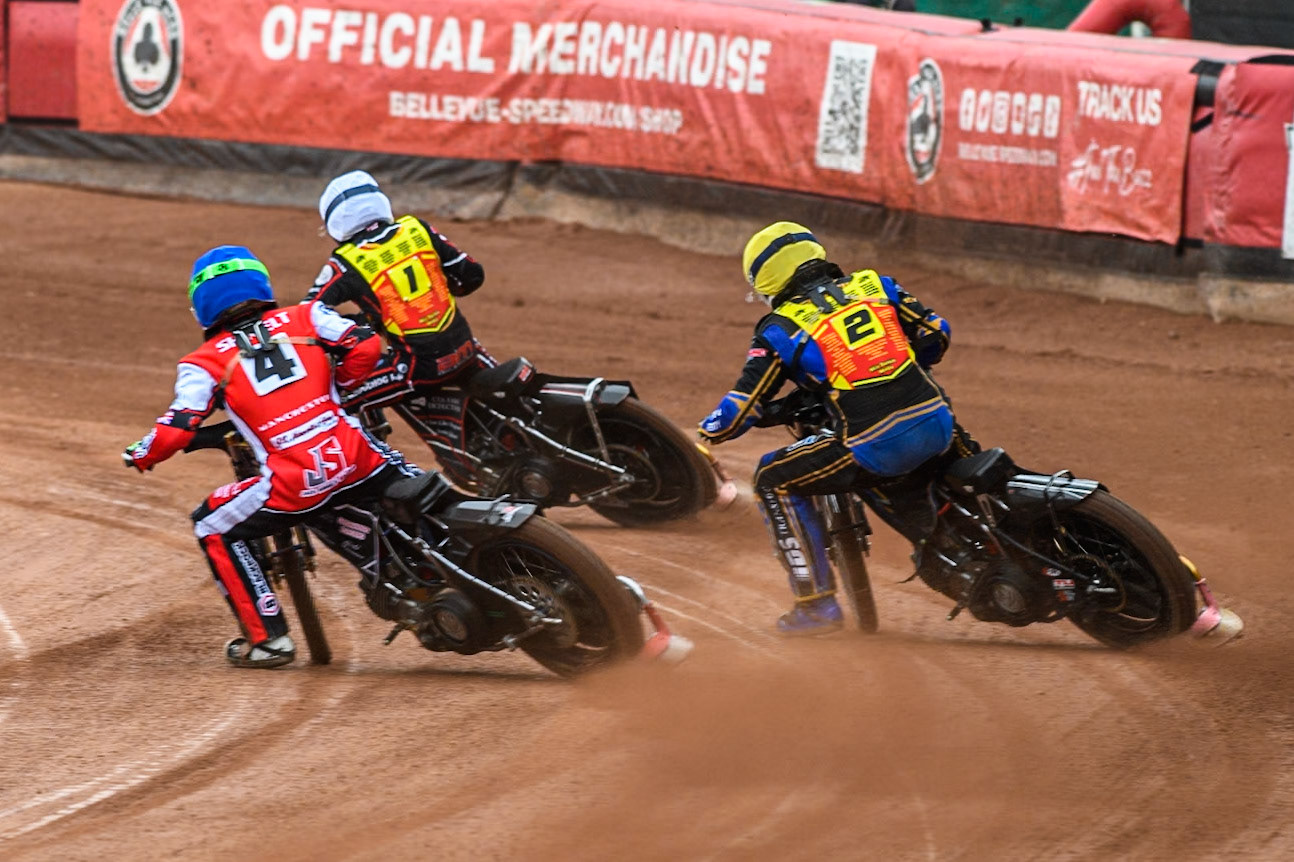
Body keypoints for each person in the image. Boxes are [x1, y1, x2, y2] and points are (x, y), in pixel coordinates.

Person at [122, 246, 425, 668]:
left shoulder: (202, 363)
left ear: (202, 306)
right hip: (358, 459)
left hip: (295, 484)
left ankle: (268, 641)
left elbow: (176, 429)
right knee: (420, 485)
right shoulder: (307, 315)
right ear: (260, 284)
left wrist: (142, 454)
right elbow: (366, 345)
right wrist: (341, 387)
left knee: (211, 524)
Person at [698, 222, 972, 636]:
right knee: (970, 457)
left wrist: (709, 431)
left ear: (768, 282)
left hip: (875, 444)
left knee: (772, 478)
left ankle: (815, 607)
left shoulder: (780, 328)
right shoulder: (875, 285)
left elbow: (739, 410)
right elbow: (937, 332)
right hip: (938, 421)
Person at [304, 170, 495, 410]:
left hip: (417, 369)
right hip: (466, 351)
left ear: (335, 222)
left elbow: (307, 313)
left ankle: (370, 437)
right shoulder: (416, 229)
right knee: (510, 390)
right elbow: (472, 275)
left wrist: (354, 326)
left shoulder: (346, 261)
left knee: (332, 403)